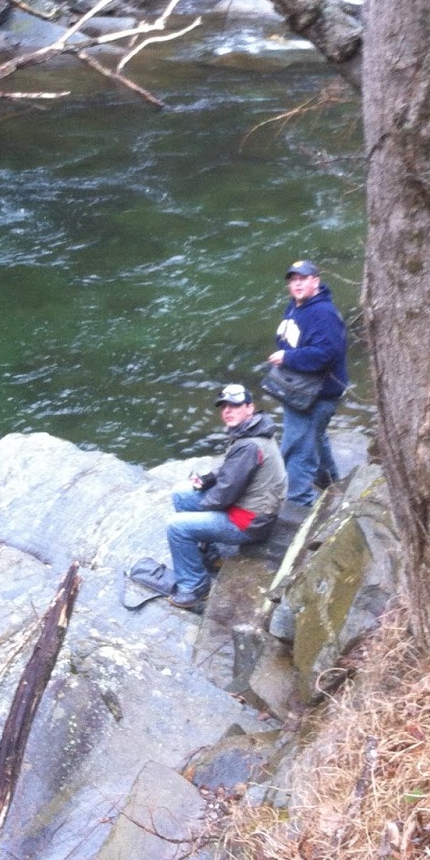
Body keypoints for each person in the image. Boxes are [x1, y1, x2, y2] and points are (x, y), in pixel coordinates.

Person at [165, 384, 288, 609]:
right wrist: (208, 478)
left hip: (249, 521)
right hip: (250, 509)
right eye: (223, 407)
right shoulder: (253, 431)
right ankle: (210, 556)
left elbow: (224, 495)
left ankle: (194, 587)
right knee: (182, 494)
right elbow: (231, 471)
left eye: (234, 405)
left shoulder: (249, 444)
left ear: (250, 408)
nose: (227, 411)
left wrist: (202, 505)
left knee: (177, 527)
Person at [267, 259, 347, 507]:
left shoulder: (323, 313)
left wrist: (288, 357)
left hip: (317, 394)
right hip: (300, 389)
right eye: (293, 280)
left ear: (316, 281)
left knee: (297, 448)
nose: (297, 284)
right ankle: (330, 481)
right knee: (315, 436)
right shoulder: (296, 306)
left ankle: (299, 502)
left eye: (303, 278)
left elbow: (327, 353)